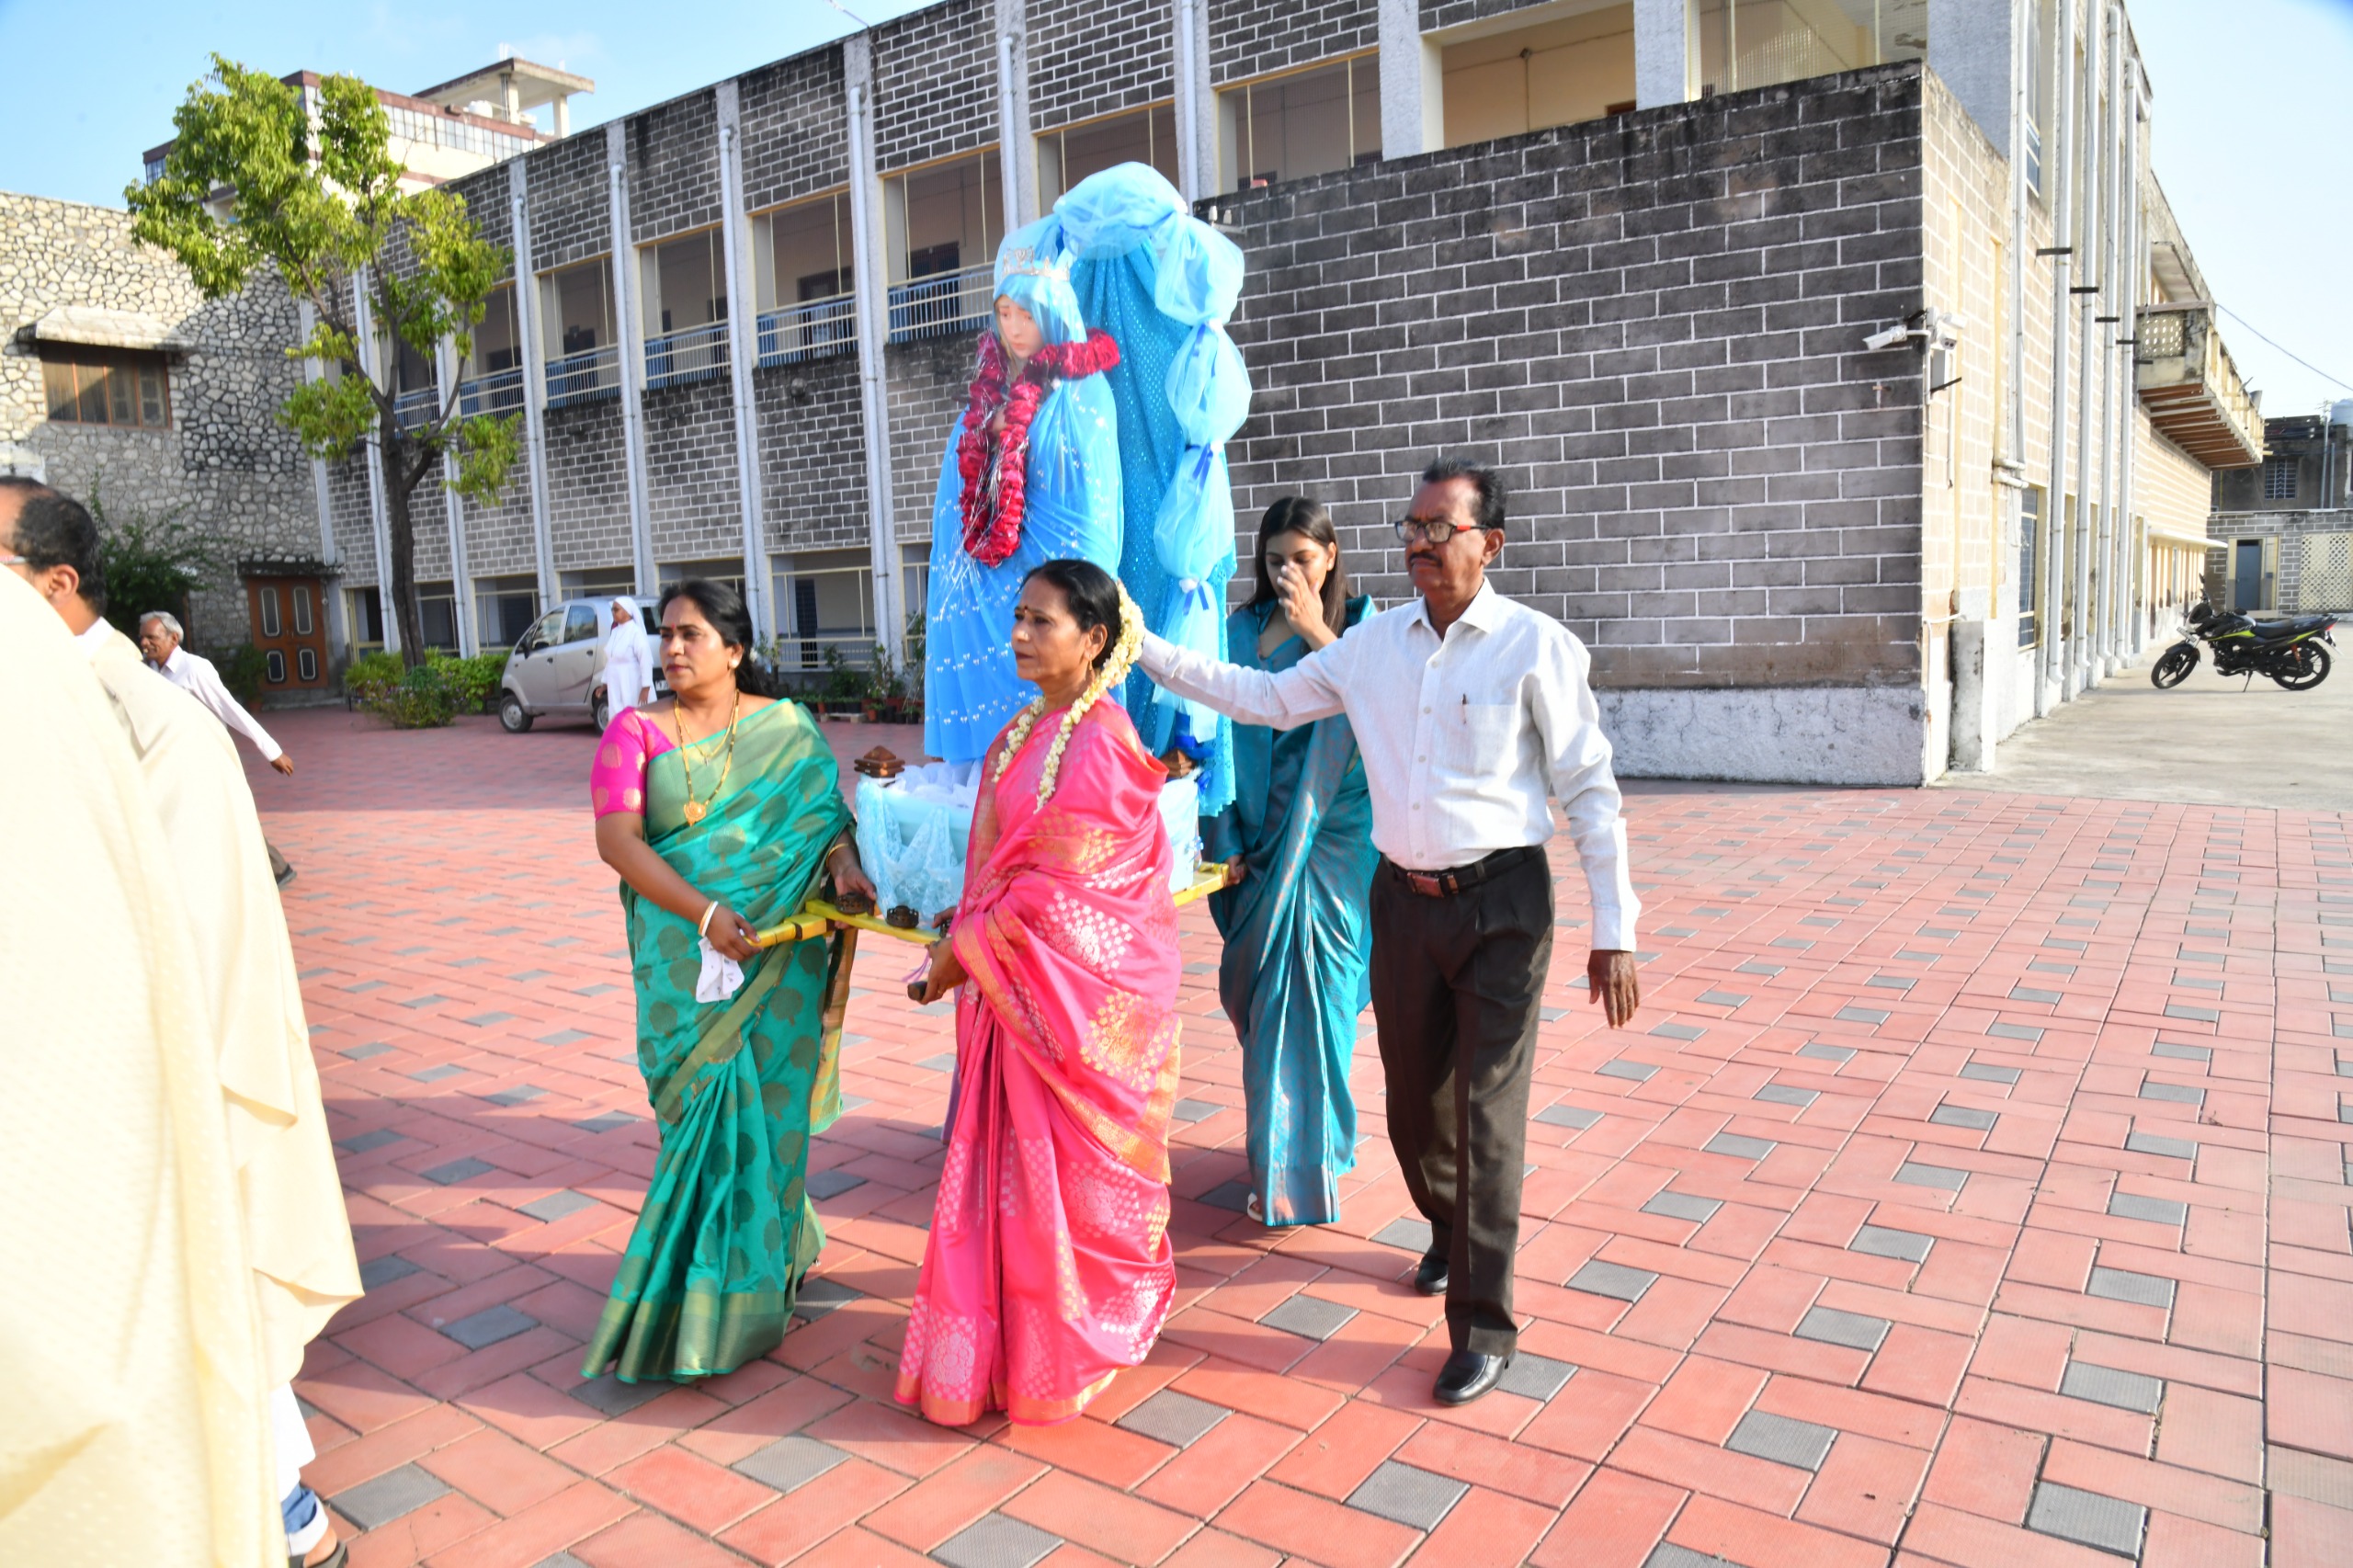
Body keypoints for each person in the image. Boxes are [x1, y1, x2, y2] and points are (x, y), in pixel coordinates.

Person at [1138, 457, 1643, 1407]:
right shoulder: (1372, 647)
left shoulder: (1534, 647)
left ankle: (1483, 1325)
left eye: (1439, 528)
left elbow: (1588, 787)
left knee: (1485, 1116)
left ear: (1490, 544)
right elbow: (1259, 696)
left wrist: (1614, 927)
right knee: (1415, 1112)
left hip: (1502, 907)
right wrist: (1144, 645)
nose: (1419, 542)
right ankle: (1451, 1228)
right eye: (1411, 527)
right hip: (1401, 903)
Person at [3, 479, 356, 1563]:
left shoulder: (148, 721)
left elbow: (195, 956)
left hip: (132, 1093)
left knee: (184, 1309)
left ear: (54, 584)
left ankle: (276, 1510)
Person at [896, 560, 1182, 1426]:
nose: (1018, 634)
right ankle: (1002, 1351)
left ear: (1093, 640)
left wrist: (963, 951)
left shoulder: (1103, 742)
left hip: (1072, 1006)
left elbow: (1074, 896)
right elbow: (1006, 867)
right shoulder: (1024, 730)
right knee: (1010, 1182)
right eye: (1017, 617)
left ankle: (1062, 1347)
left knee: (1063, 1184)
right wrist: (969, 929)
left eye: (1040, 621)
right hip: (1017, 994)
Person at [582, 578, 880, 1382]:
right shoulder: (633, 733)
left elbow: (827, 821)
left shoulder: (787, 728)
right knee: (702, 1112)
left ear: (736, 650)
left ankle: (764, 1270)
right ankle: (702, 1290)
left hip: (779, 954)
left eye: (692, 635)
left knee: (772, 1116)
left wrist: (844, 868)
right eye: (666, 635)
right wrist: (706, 911)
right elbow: (617, 842)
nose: (673, 649)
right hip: (686, 961)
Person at [1201, 497, 1377, 1228]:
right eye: (1275, 560)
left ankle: (1316, 1160)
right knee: (1270, 1011)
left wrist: (1314, 632)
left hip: (1331, 842)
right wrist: (1222, 840)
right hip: (1257, 845)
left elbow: (1379, 719)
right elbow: (1210, 737)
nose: (1288, 573)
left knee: (1322, 1004)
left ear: (1330, 556)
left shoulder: (1363, 630)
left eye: (1303, 558)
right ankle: (1277, 1166)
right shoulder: (1236, 631)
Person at [923, 225, 1124, 766]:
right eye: (1004, 313)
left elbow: (1092, 508)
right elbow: (954, 510)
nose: (1013, 328)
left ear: (1054, 314)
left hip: (1055, 570)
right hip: (982, 577)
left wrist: (1019, 437)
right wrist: (986, 440)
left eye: (1027, 314)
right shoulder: (983, 399)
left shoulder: (1085, 394)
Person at [137, 608, 300, 886]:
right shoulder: (147, 670)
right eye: (142, 637)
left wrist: (271, 751)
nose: (144, 643)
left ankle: (276, 868)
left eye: (152, 637)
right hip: (173, 759)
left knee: (228, 815)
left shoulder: (194, 669)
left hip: (207, 758)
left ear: (173, 638)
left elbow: (231, 710)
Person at [600, 595, 654, 714]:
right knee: (616, 713)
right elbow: (611, 659)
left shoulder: (636, 632)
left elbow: (645, 660)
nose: (613, 612)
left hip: (631, 681)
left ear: (627, 611)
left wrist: (646, 687)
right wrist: (604, 684)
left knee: (632, 713)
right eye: (612, 610)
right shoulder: (615, 631)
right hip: (615, 683)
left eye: (616, 609)